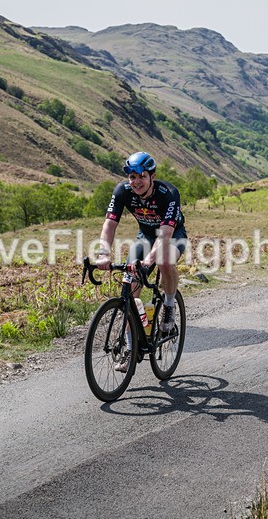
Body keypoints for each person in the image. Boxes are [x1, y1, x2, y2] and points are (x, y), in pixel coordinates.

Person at [95, 151, 187, 372]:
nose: (136, 182)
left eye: (142, 176)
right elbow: (109, 225)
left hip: (172, 235)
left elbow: (165, 235)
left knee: (164, 260)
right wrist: (103, 253)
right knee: (129, 291)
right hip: (145, 237)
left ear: (152, 177)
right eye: (132, 177)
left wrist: (148, 261)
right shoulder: (122, 191)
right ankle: (131, 348)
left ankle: (168, 306)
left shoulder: (168, 194)